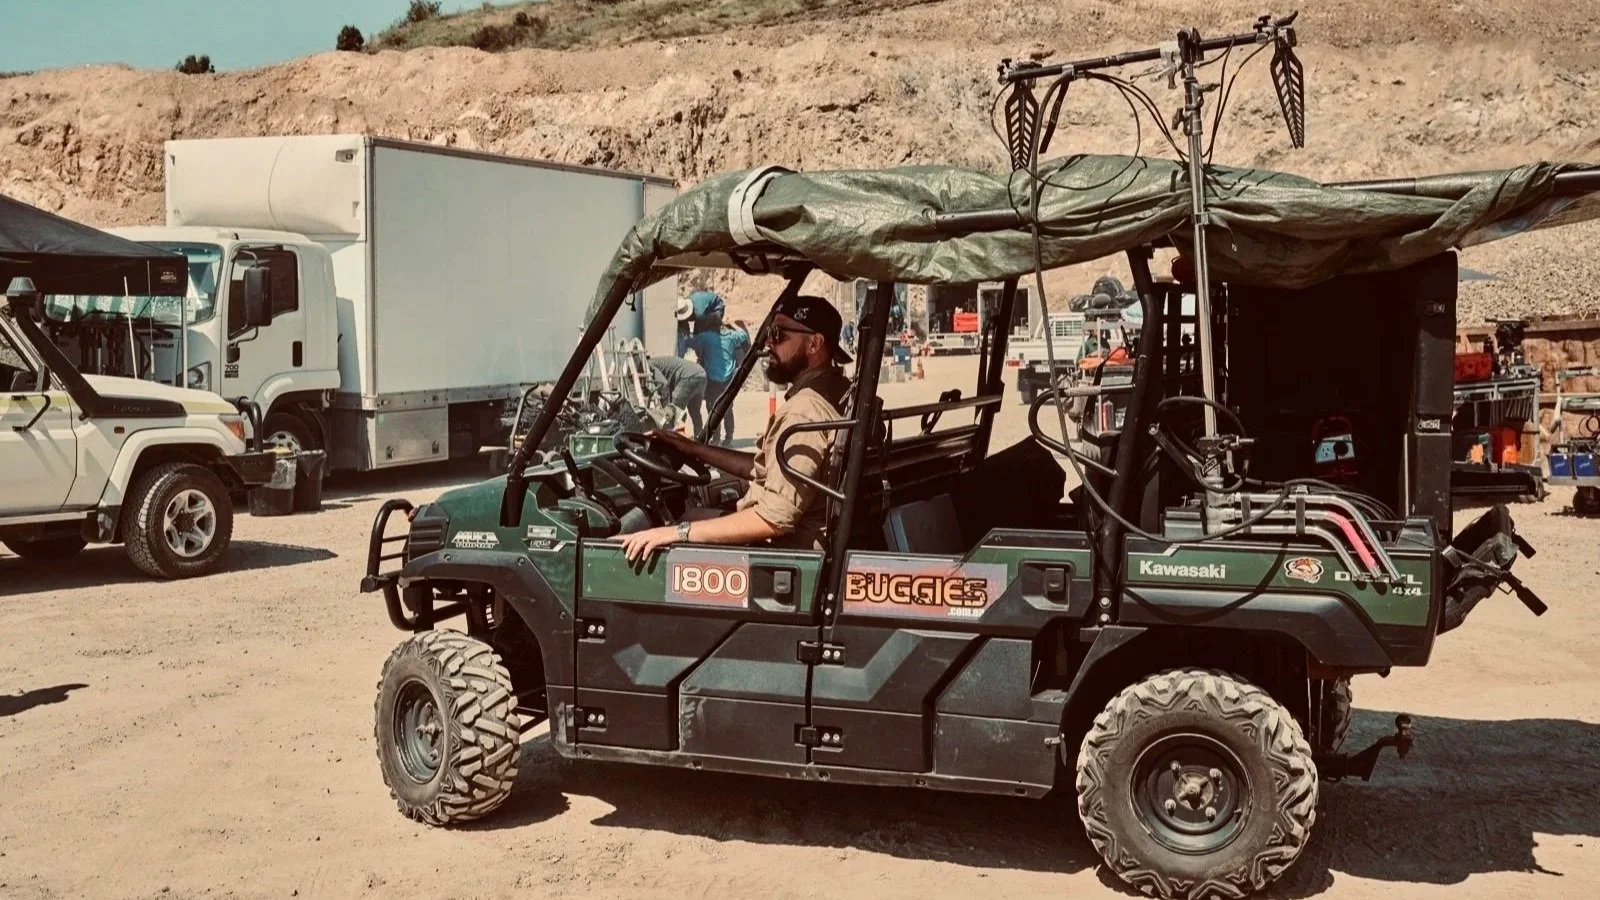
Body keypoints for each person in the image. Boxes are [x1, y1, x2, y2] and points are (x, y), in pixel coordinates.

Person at [620, 294, 853, 561]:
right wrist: (694, 449)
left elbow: (774, 520)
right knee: (691, 516)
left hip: (785, 554)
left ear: (814, 343)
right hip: (803, 538)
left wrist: (677, 532)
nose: (768, 343)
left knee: (661, 536)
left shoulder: (804, 411)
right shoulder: (837, 392)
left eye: (778, 334)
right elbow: (770, 468)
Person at [693, 318, 752, 445]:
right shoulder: (731, 336)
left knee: (712, 408)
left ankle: (715, 438)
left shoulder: (706, 337)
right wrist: (732, 324)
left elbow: (693, 341)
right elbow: (744, 335)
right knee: (727, 408)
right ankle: (729, 437)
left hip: (712, 380)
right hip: (728, 379)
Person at [647, 355, 707, 434]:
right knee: (695, 412)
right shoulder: (659, 361)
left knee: (675, 412)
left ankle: (678, 437)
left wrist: (666, 408)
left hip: (688, 377)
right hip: (701, 374)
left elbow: (664, 385)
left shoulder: (649, 366)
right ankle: (699, 436)